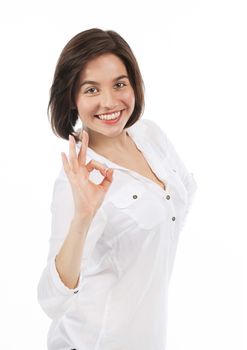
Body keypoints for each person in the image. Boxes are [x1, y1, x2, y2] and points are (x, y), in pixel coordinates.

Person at [37, 28, 197, 350]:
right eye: (91, 89)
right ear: (72, 97)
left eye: (119, 84)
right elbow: (51, 301)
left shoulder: (149, 136)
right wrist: (83, 215)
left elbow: (180, 197)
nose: (110, 102)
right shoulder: (77, 182)